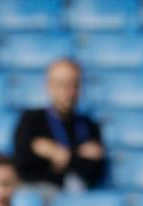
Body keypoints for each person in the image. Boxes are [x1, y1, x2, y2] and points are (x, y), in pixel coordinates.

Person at [12, 58, 106, 193]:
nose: (69, 91)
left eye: (74, 84)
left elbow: (94, 172)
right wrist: (78, 156)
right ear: (48, 86)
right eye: (62, 84)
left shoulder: (89, 125)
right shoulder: (31, 120)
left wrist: (59, 154)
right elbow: (23, 166)